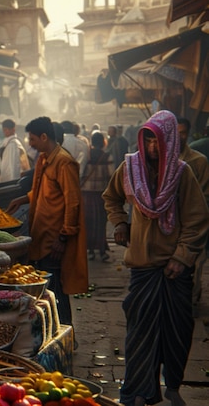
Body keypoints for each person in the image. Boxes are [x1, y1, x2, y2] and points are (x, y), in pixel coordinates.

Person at [102, 110, 208, 406]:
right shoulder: (129, 167)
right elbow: (110, 197)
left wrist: (182, 257)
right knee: (139, 333)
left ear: (169, 140)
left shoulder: (183, 172)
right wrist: (120, 222)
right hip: (143, 266)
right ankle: (139, 390)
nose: (151, 146)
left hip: (175, 269)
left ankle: (172, 385)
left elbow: (197, 220)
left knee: (177, 332)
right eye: (147, 139)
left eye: (157, 140)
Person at [6, 116, 88, 326]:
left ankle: (66, 332)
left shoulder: (64, 162)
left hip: (55, 238)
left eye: (33, 139)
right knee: (44, 289)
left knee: (56, 290)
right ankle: (50, 331)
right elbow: (44, 192)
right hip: (40, 235)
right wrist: (23, 199)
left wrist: (64, 236)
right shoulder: (44, 159)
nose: (30, 144)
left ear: (44, 137)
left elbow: (72, 202)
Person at [177, 117, 209, 305]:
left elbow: (205, 196)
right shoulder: (159, 159)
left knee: (194, 268)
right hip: (168, 231)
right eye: (176, 133)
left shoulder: (198, 161)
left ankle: (190, 304)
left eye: (183, 133)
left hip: (193, 227)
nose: (179, 137)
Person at [81, 131, 114, 262]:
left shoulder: (86, 156)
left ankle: (89, 251)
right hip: (101, 195)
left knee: (87, 223)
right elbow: (111, 176)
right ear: (103, 142)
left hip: (86, 195)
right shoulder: (107, 157)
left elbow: (79, 172)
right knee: (101, 223)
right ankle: (101, 250)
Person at [0, 118, 30, 183]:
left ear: (13, 130)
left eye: (7, 130)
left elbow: (13, 167)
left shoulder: (13, 144)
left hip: (12, 181)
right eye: (4, 130)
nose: (5, 132)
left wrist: (12, 183)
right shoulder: (9, 143)